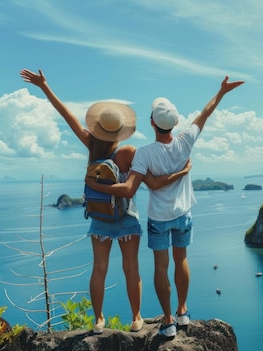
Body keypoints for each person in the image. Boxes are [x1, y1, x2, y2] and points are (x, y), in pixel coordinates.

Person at [19, 69, 192, 334]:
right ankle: (136, 318)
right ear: (122, 131)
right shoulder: (129, 153)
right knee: (131, 268)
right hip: (125, 218)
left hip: (99, 218)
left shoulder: (91, 145)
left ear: (97, 127)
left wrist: (44, 87)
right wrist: (180, 171)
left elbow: (67, 116)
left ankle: (98, 320)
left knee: (99, 268)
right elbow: (150, 181)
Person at [85, 75, 244, 338]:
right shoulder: (185, 141)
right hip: (184, 213)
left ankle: (168, 322)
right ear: (176, 123)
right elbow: (205, 114)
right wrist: (221, 92)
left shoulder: (145, 153)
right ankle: (183, 312)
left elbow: (139, 188)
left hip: (159, 218)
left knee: (161, 267)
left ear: (152, 123)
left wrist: (94, 185)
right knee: (181, 260)